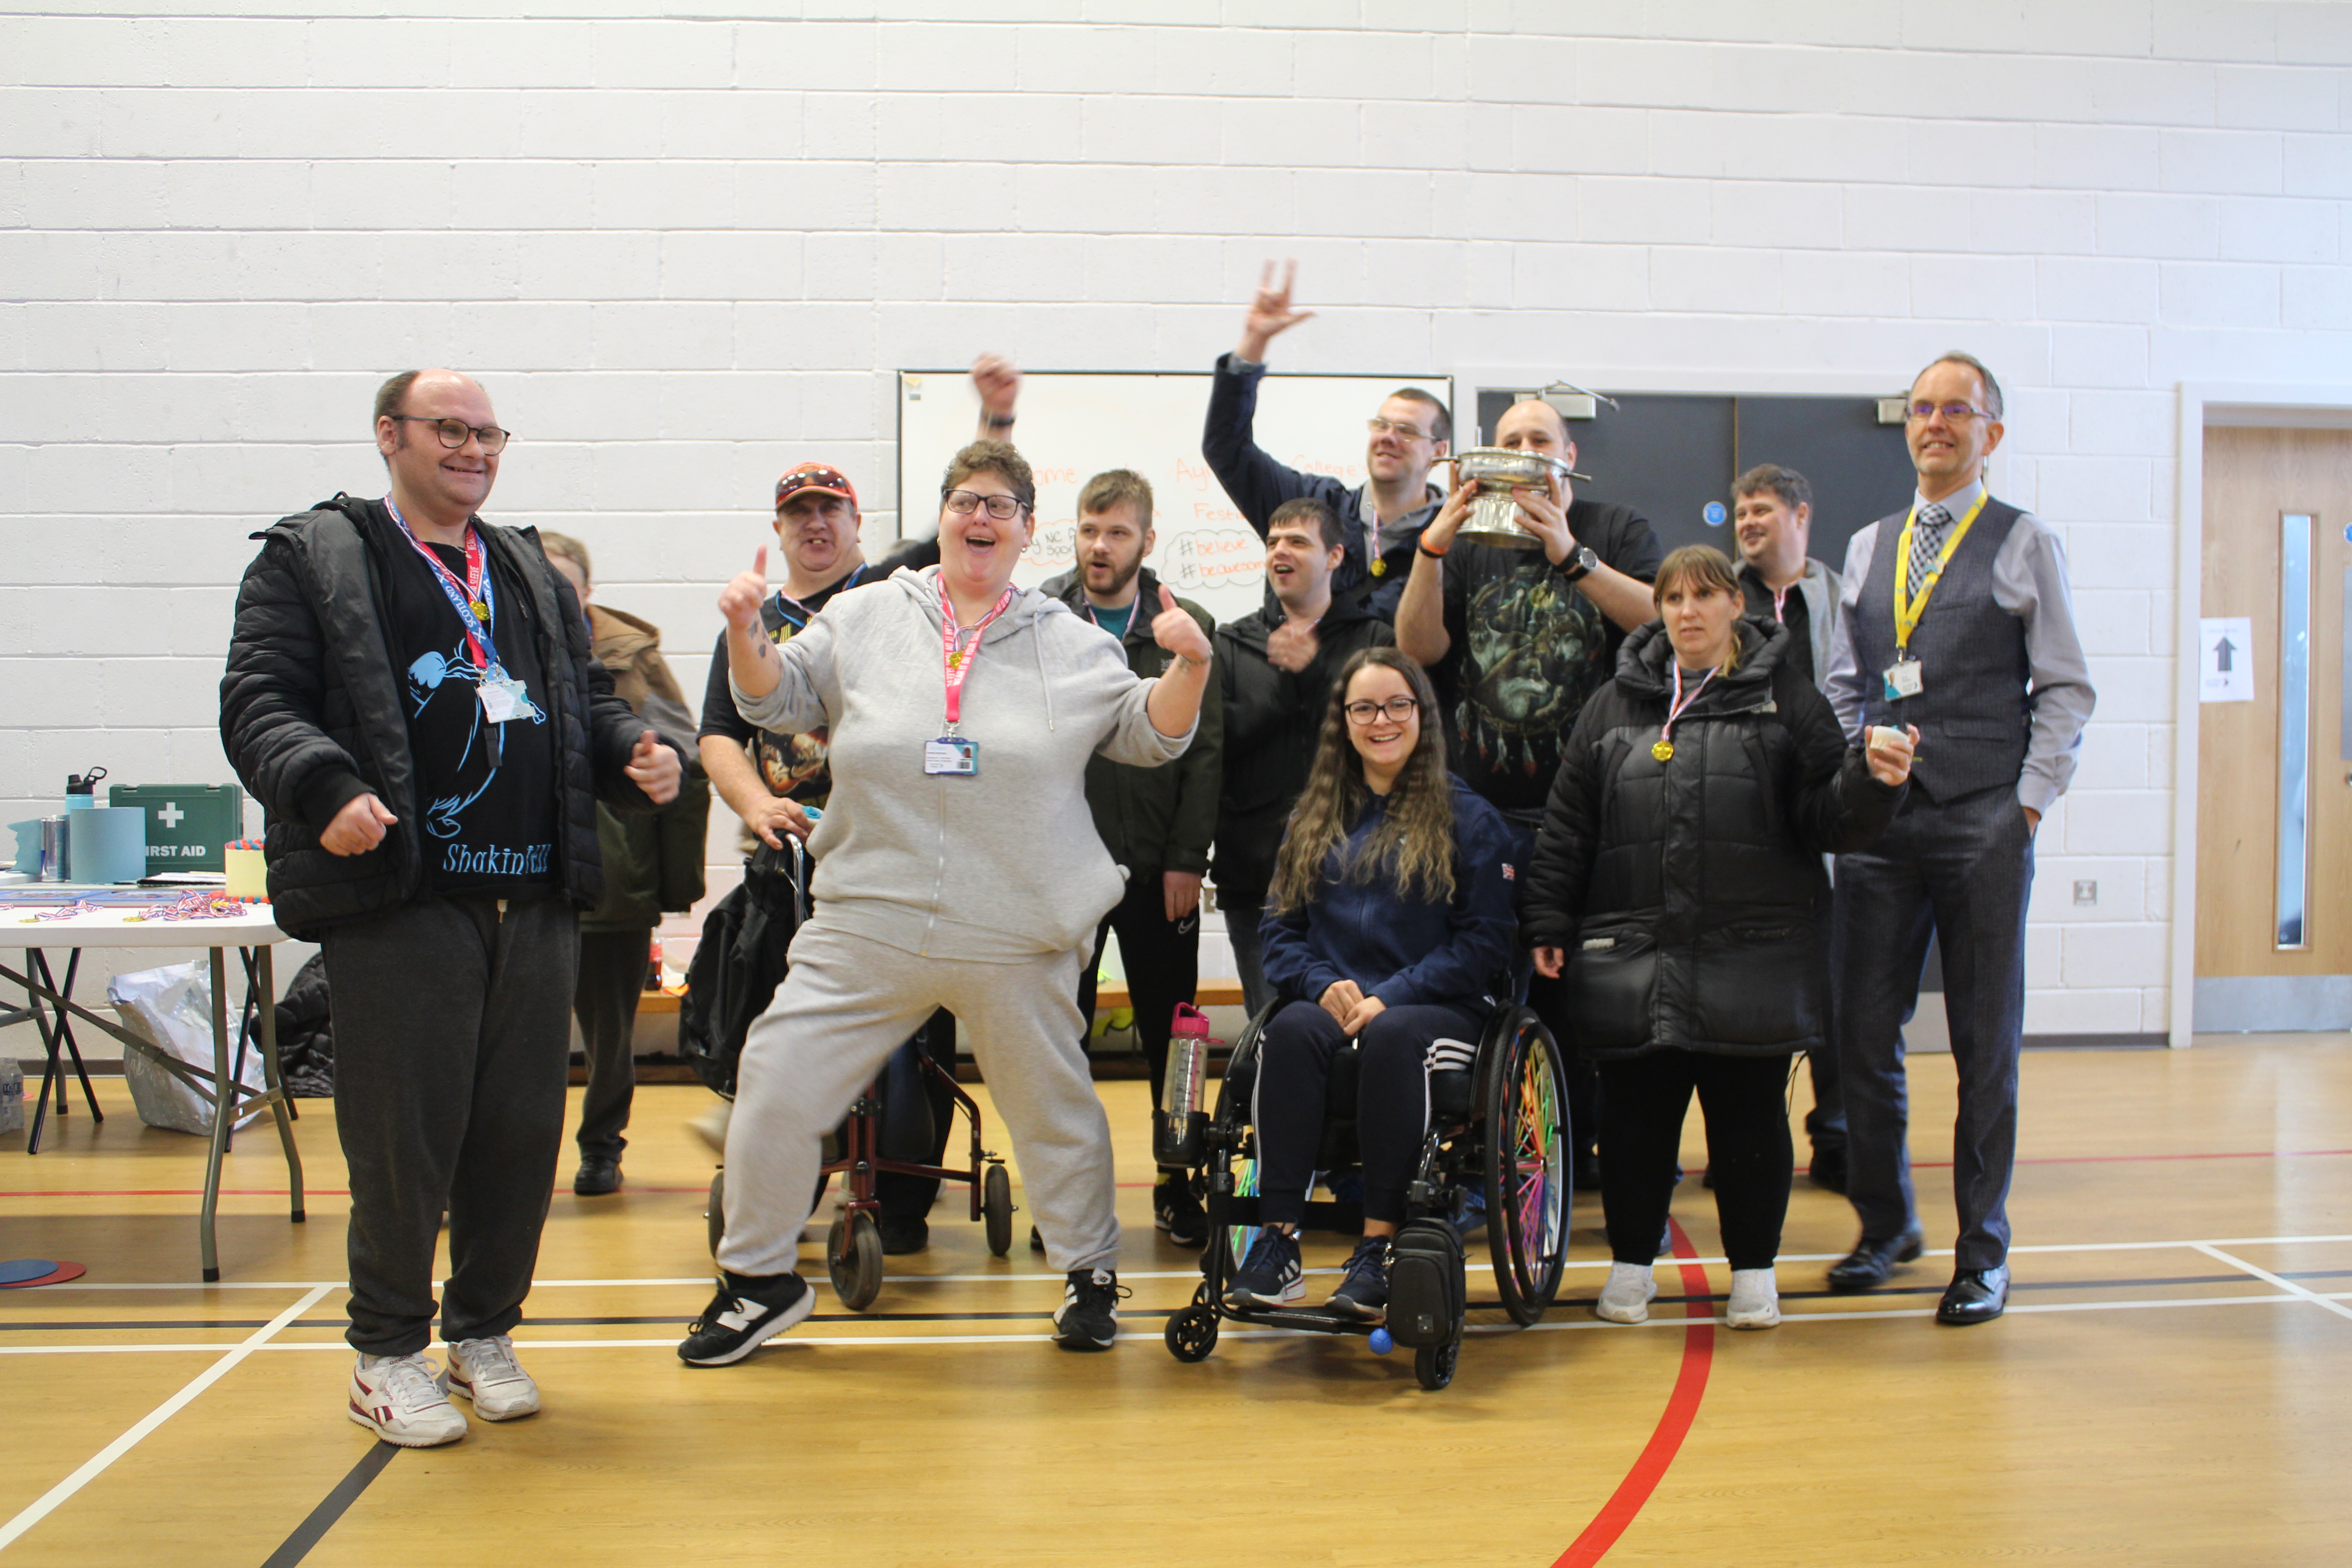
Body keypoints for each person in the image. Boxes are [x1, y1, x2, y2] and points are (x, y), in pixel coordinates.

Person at [220, 368, 685, 1448]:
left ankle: (483, 1331)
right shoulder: (316, 558)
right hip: (404, 896)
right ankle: (385, 1353)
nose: (474, 448)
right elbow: (259, 700)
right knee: (403, 1138)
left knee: (518, 1135)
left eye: (489, 431)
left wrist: (630, 753)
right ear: (391, 435)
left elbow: (572, 705)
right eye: (450, 429)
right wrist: (325, 787)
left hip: (534, 896)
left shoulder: (520, 563)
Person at [678, 437, 1213, 1366]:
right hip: (869, 917)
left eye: (1001, 507)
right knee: (774, 1075)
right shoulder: (867, 614)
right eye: (967, 501)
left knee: (1054, 1107)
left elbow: (1147, 738)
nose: (980, 519)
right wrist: (741, 633)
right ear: (944, 516)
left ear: (1025, 531)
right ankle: (757, 1280)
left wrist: (1191, 669)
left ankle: (1090, 1274)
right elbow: (775, 700)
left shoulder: (1072, 642)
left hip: (1015, 925)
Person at [1520, 545, 1911, 1331]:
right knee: (1635, 1125)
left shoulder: (1785, 699)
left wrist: (1872, 782)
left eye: (1704, 596)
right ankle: (1630, 1268)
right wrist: (1547, 919)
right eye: (1671, 598)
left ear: (1736, 605)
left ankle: (1754, 1277)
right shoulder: (1613, 704)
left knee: (1748, 1127)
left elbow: (1826, 814)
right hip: (1635, 957)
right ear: (1657, 610)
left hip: (1753, 956)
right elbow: (1567, 824)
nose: (1686, 612)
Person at [1823, 353, 2095, 1326]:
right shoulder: (1867, 545)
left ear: (1993, 433)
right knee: (1859, 1033)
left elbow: (2067, 686)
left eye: (1958, 411)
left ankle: (1983, 1253)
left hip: (1984, 815)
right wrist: (1861, 761)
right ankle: (1885, 1225)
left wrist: (2025, 802)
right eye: (1923, 408)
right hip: (1882, 824)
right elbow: (1848, 681)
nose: (1936, 423)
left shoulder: (2027, 543)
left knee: (1986, 1045)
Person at [1394, 394, 1662, 1187]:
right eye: (1505, 441)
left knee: (1588, 1002)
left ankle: (1590, 1158)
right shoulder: (1464, 542)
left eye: (1535, 441)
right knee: (1487, 995)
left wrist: (1570, 555)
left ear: (1566, 457)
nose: (1520, 454)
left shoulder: (1616, 530)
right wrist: (1429, 552)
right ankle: (1503, 1162)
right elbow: (1417, 650)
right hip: (1481, 817)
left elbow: (1658, 625)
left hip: (1593, 818)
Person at [692, 458, 955, 1253]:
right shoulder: (751, 627)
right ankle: (782, 1173)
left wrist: (995, 424)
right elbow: (718, 735)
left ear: (854, 523)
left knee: (916, 1026)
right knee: (783, 1015)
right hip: (791, 860)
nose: (814, 525)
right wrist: (754, 803)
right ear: (779, 528)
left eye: (829, 510)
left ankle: (902, 1193)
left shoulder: (890, 598)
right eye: (798, 513)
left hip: (900, 855)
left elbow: (968, 515)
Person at [1223, 649, 1517, 1319]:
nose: (1381, 720)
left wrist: (1398, 993)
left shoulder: (1470, 820)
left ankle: (1378, 1249)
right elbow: (1279, 934)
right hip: (1339, 1002)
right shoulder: (1314, 816)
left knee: (1390, 1037)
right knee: (1289, 1030)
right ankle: (1278, 1244)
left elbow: (1484, 943)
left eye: (1397, 705)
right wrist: (1321, 982)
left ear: (1421, 716)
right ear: (1344, 722)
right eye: (1365, 708)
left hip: (1436, 1009)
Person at [1039, 468, 1225, 1249]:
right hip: (1061, 869)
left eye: (1116, 532)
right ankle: (1065, 1197)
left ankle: (1176, 1179)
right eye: (1087, 529)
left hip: (1159, 873)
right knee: (1056, 1036)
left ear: (1146, 542)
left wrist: (1188, 856)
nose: (1098, 545)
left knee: (1172, 1035)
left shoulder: (1185, 622)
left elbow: (1204, 751)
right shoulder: (1039, 617)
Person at [539, 531, 710, 1198]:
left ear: (586, 592)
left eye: (564, 584)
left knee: (610, 1037)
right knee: (525, 1038)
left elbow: (685, 759)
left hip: (616, 877)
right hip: (532, 880)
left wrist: (670, 883)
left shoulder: (632, 659)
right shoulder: (498, 646)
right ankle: (517, 1158)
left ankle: (602, 1149)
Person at [1212, 497, 1395, 1016]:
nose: (1279, 553)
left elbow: (1383, 739)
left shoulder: (1372, 640)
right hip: (1256, 873)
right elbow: (1219, 747)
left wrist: (1313, 673)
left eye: (1297, 541)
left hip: (1354, 871)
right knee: (1271, 1026)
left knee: (1352, 1025)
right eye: (1272, 542)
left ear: (1335, 556)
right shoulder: (1231, 642)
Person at [1202, 260, 1449, 615]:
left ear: (1438, 451)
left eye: (1407, 431)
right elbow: (1226, 448)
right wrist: (1254, 342)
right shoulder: (1312, 506)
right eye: (1381, 425)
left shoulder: (1454, 536)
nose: (1388, 438)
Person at [1729, 464, 1849, 1191]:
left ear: (1801, 515)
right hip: (1743, 818)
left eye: (1763, 510)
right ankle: (1748, 1140)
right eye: (1741, 512)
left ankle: (1837, 1136)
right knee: (1746, 993)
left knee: (1837, 990)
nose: (1748, 522)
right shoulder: (1720, 597)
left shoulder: (1844, 596)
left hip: (1825, 819)